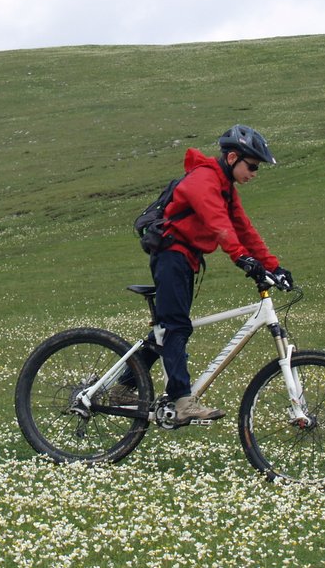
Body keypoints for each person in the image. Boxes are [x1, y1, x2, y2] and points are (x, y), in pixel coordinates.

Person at [123, 125, 292, 424]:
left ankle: (124, 386)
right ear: (232, 158)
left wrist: (273, 266)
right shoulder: (204, 179)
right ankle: (182, 402)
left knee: (168, 328)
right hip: (171, 256)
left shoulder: (226, 189)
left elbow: (243, 229)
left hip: (185, 260)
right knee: (176, 327)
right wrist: (242, 258)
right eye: (251, 166)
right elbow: (218, 224)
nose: (254, 173)